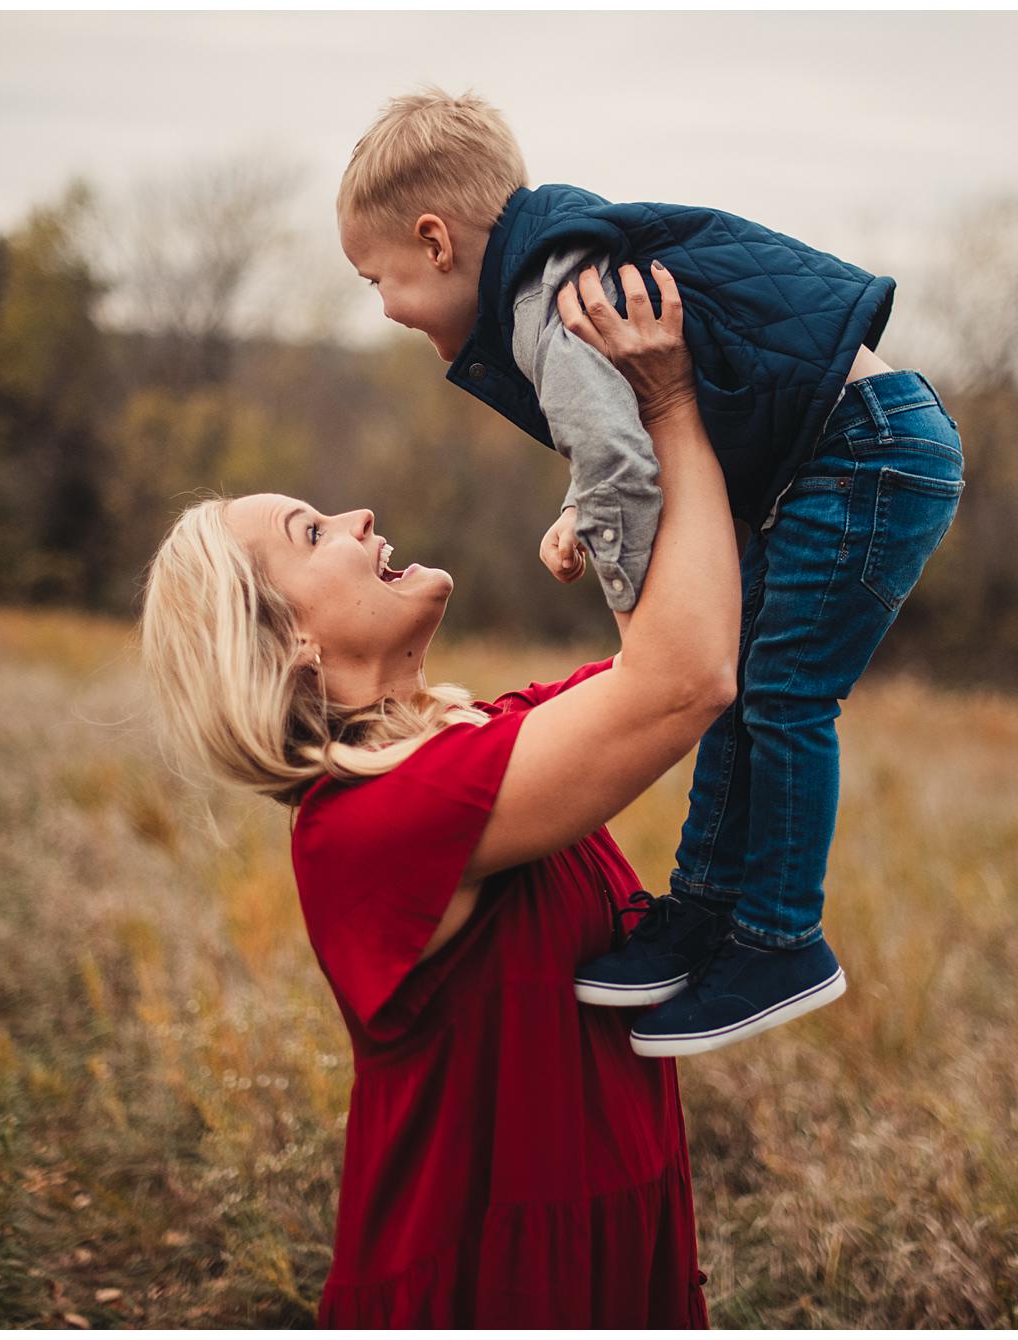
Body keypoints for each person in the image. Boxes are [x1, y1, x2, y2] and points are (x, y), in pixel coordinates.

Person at [141, 264, 729, 1325]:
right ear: (291, 644)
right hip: (496, 1288)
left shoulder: (479, 738)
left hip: (608, 1247)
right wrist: (668, 403)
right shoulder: (372, 822)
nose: (358, 513)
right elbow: (684, 679)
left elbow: (692, 632)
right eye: (311, 533)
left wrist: (608, 498)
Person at [336, 88, 966, 1056]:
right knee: (750, 684)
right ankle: (704, 909)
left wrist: (642, 633)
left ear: (435, 240)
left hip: (863, 453)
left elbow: (619, 461)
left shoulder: (547, 303)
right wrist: (580, 514)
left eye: (376, 277)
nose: (382, 305)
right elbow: (615, 437)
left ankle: (780, 938)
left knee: (785, 691)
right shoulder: (553, 274)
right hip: (847, 449)